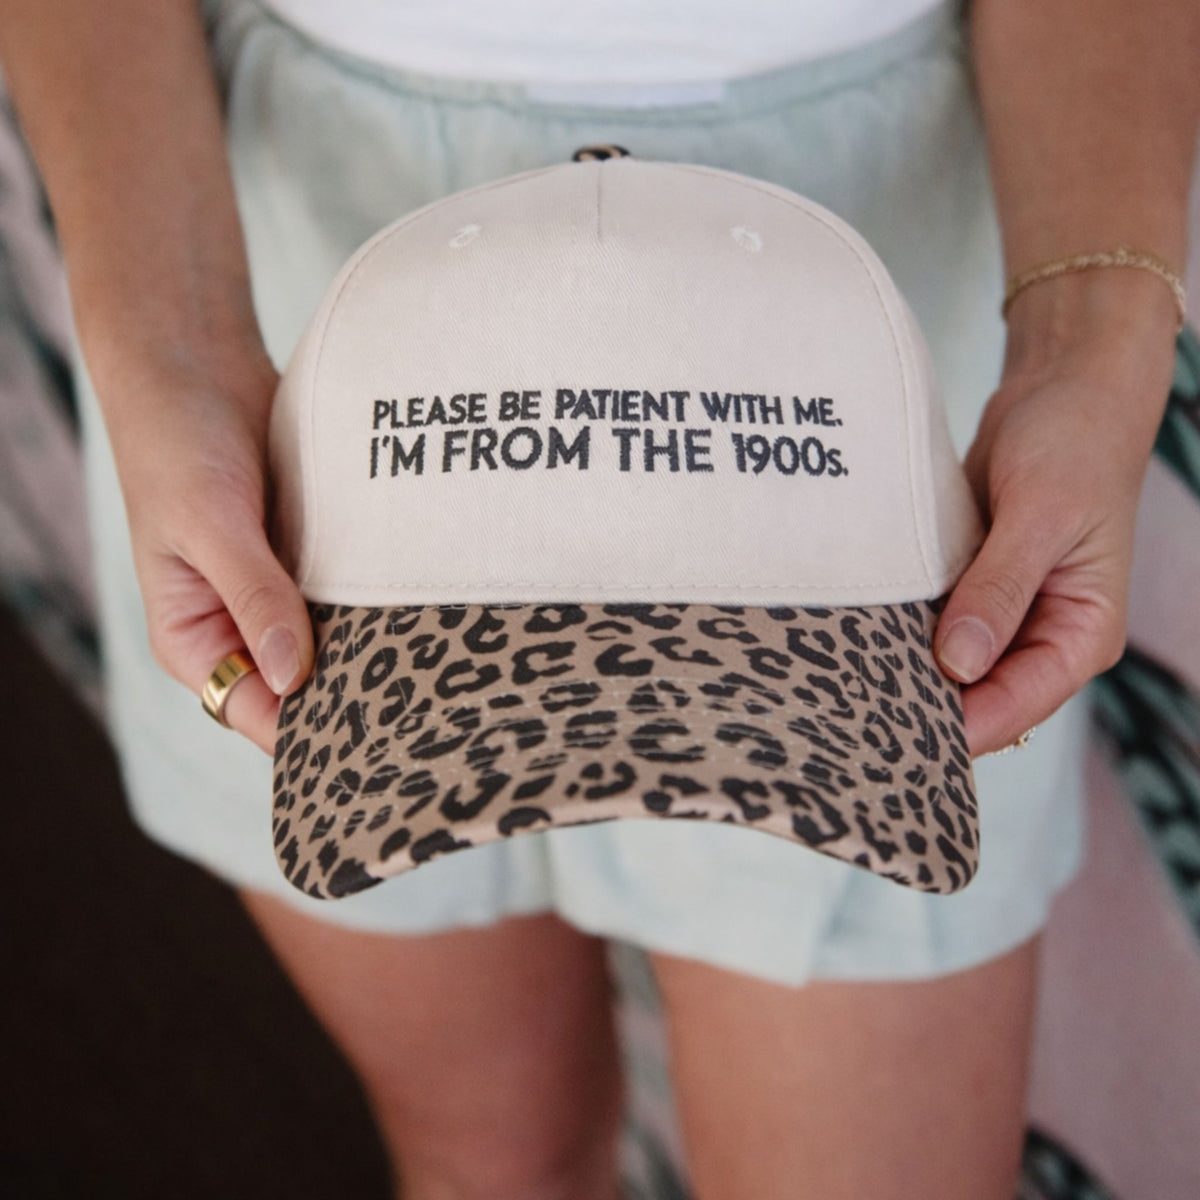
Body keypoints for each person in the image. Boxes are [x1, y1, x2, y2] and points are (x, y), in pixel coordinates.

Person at [1, 1, 1196, 1197]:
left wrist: (1091, 332)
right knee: (491, 1156)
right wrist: (170, 338)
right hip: (302, 256)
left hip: (855, 278)